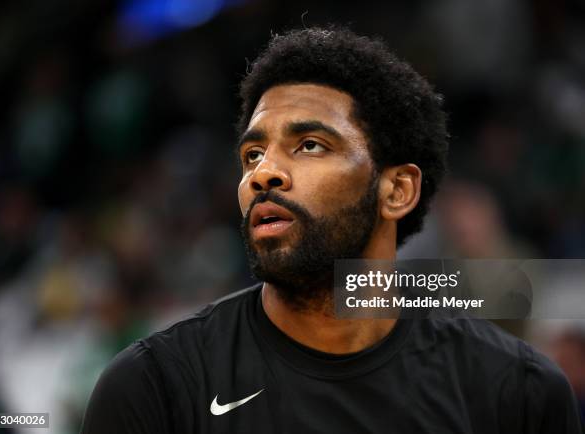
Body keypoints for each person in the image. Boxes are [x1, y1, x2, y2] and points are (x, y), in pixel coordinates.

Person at [81, 27, 583, 433]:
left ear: (396, 191)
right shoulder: (155, 388)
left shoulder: (518, 394)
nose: (262, 173)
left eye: (310, 145)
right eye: (252, 155)